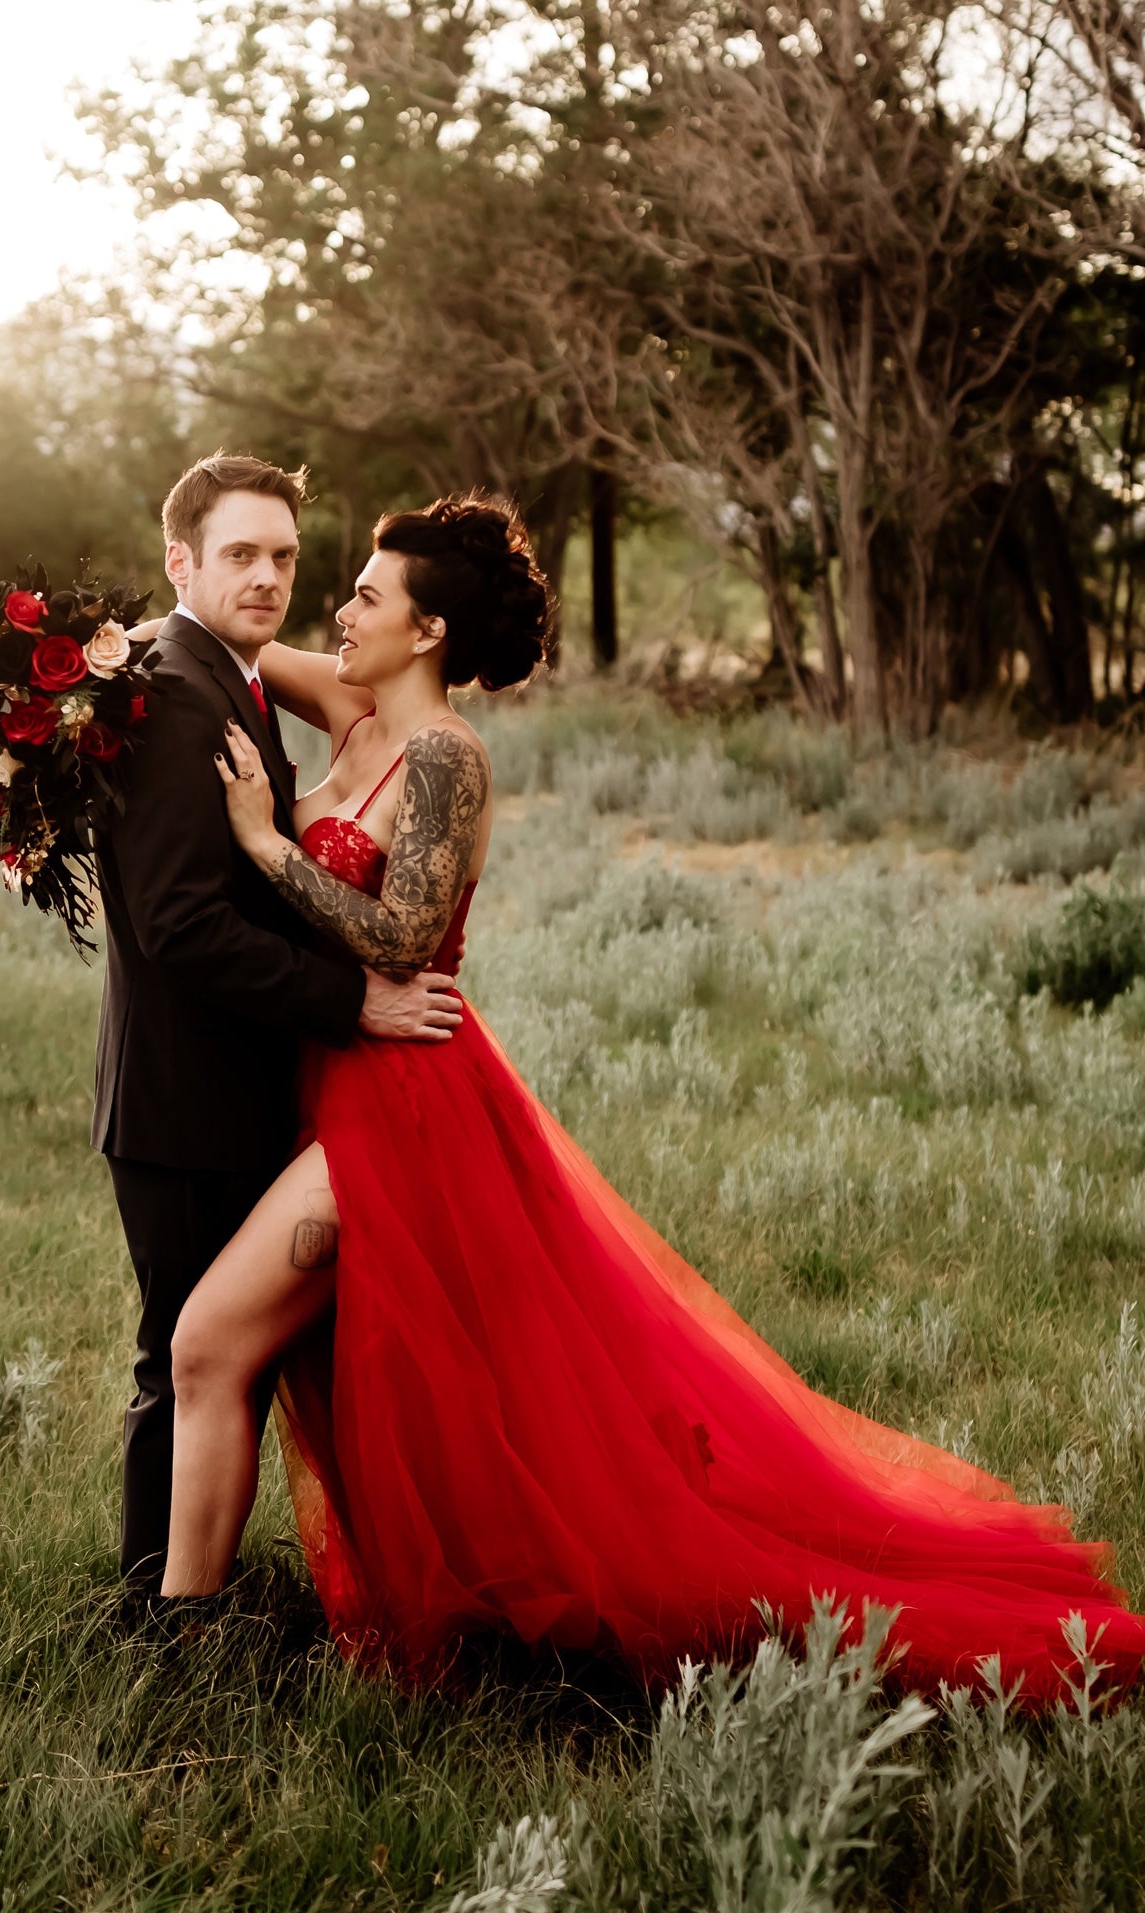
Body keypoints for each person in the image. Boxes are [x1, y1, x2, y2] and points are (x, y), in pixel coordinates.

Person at [162, 489, 1145, 1701]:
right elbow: (231, 647)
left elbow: (403, 933)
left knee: (211, 1339)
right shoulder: (355, 706)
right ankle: (239, 1620)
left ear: (426, 633)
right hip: (338, 1082)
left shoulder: (447, 756)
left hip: (405, 1098)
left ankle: (179, 1642)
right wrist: (109, 659)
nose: (338, 606)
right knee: (384, 1378)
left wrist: (264, 845)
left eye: (366, 593)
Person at [93, 452, 462, 1601]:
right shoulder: (171, 688)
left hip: (268, 1084)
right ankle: (159, 1612)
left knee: (245, 1356)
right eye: (240, 554)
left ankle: (221, 1590)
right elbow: (182, 927)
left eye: (286, 556)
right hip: (185, 1091)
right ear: (181, 560)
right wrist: (355, 1001)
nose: (268, 577)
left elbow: (381, 682)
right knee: (191, 1355)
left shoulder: (236, 671)